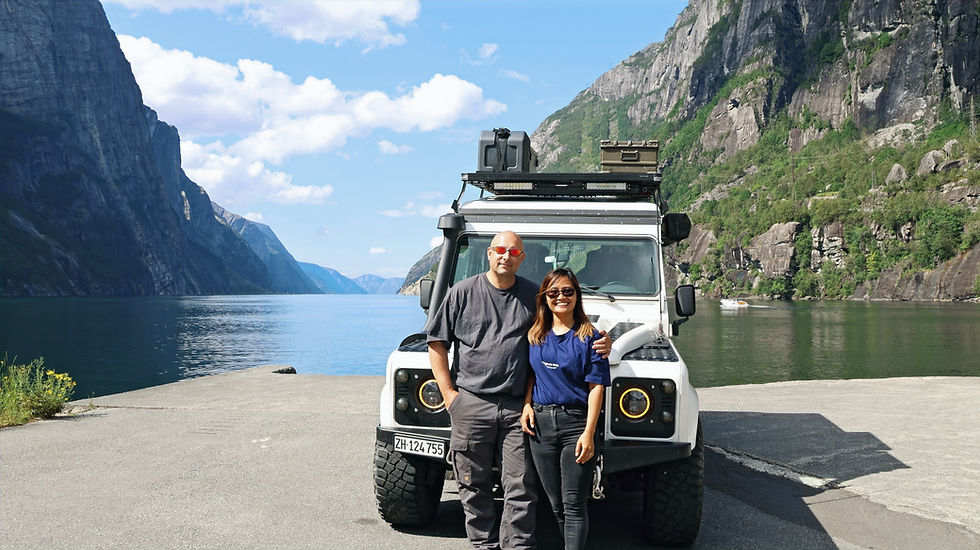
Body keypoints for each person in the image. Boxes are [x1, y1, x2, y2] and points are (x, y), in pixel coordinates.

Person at [426, 231, 610, 550]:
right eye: (499, 249)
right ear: (488, 253)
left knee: (521, 487)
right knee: (472, 485)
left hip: (517, 409)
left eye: (513, 252)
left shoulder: (532, 296)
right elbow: (437, 342)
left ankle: (518, 547)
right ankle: (484, 545)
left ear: (521, 258)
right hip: (471, 402)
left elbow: (563, 323)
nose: (505, 255)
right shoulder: (461, 293)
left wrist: (602, 340)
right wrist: (449, 396)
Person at [521, 268, 611, 550]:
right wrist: (526, 404)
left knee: (574, 504)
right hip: (541, 427)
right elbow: (532, 375)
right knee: (555, 503)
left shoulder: (591, 337)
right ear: (545, 298)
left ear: (577, 296)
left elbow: (596, 387)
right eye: (554, 292)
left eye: (568, 291)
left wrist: (589, 433)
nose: (561, 297)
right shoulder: (536, 334)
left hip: (576, 425)